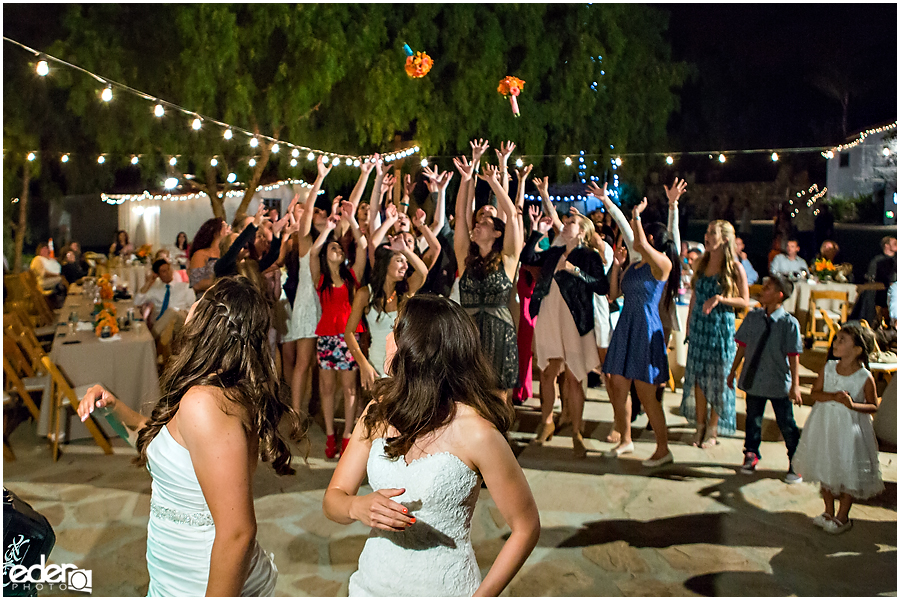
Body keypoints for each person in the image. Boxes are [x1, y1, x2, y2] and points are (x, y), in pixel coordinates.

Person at [76, 276, 303, 595]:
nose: (193, 301)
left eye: (202, 297)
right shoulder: (215, 391)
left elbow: (238, 532)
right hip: (174, 570)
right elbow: (164, 447)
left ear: (211, 319)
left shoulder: (205, 404)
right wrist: (112, 408)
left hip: (198, 578)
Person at [322, 295, 540, 596]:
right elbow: (333, 499)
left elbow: (526, 527)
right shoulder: (379, 410)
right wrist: (356, 506)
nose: (386, 338)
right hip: (371, 584)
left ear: (417, 350)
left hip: (444, 587)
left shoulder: (477, 433)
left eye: (395, 331)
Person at [596, 191, 680, 467]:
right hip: (626, 326)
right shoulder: (635, 265)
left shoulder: (662, 265)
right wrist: (617, 267)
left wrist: (635, 215)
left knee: (646, 394)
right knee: (617, 386)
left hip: (645, 327)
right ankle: (626, 438)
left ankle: (662, 448)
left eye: (643, 235)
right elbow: (613, 294)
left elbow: (639, 240)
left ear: (653, 239)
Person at [521, 204, 609, 457]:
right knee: (548, 371)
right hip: (549, 313)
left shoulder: (588, 255)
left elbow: (602, 287)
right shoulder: (554, 250)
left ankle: (576, 432)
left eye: (571, 222)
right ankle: (546, 422)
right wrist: (539, 232)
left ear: (581, 231)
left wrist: (575, 270)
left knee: (574, 376)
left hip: (574, 318)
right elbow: (528, 258)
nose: (565, 223)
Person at [792, 322, 883, 534]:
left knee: (847, 468)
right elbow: (815, 393)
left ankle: (843, 515)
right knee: (825, 464)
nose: (836, 342)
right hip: (824, 425)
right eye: (836, 338)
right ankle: (827, 510)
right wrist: (832, 396)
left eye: (842, 340)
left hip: (849, 431)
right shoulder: (829, 368)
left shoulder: (864, 377)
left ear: (857, 349)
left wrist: (852, 405)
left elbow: (873, 406)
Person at [453, 144, 523, 401]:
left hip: (499, 333)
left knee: (497, 397)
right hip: (469, 333)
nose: (478, 224)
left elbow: (513, 217)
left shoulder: (507, 258)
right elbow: (461, 216)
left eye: (485, 223)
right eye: (479, 221)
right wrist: (466, 179)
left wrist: (495, 182)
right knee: (466, 397)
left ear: (497, 233)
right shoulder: (465, 258)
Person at [680, 220, 750, 448]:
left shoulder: (734, 267)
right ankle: (699, 426)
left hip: (721, 327)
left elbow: (745, 301)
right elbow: (693, 296)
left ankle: (713, 428)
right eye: (707, 232)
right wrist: (689, 322)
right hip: (700, 326)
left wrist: (720, 298)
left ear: (725, 239)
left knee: (718, 379)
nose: (707, 236)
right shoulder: (701, 262)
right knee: (699, 377)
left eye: (712, 233)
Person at [727, 275, 803, 482]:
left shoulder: (789, 323)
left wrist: (795, 385)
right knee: (753, 418)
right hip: (754, 377)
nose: (763, 290)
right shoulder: (753, 317)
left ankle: (797, 459)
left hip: (778, 380)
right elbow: (742, 345)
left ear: (779, 295)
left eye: (768, 288)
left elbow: (793, 356)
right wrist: (733, 370)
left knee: (786, 422)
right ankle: (751, 453)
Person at [311, 202, 368, 459]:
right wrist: (328, 230)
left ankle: (347, 433)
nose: (336, 248)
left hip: (348, 336)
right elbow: (313, 254)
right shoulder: (321, 280)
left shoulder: (351, 277)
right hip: (325, 336)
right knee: (326, 388)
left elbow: (363, 251)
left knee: (349, 388)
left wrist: (352, 220)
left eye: (338, 247)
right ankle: (330, 435)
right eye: (331, 247)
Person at [345, 235, 429, 389]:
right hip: (377, 365)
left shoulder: (406, 290)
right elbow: (349, 332)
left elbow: (423, 272)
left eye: (405, 261)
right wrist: (364, 364)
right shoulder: (365, 293)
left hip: (404, 367)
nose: (405, 266)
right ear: (384, 264)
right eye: (399, 260)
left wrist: (405, 250)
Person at [135, 258, 202, 361]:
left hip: (182, 320)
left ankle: (151, 342)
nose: (167, 273)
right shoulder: (155, 289)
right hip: (164, 324)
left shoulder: (184, 287)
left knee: (171, 312)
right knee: (167, 329)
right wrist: (149, 282)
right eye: (163, 271)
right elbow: (137, 302)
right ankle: (162, 361)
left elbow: (193, 309)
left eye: (168, 269)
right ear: (157, 274)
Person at [188, 218, 231, 295]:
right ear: (216, 233)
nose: (229, 230)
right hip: (208, 299)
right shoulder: (201, 254)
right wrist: (223, 280)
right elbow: (197, 284)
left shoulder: (227, 253)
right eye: (225, 226)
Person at [866, 236, 897, 312]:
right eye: (895, 243)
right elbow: (871, 279)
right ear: (886, 245)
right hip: (882, 295)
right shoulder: (877, 261)